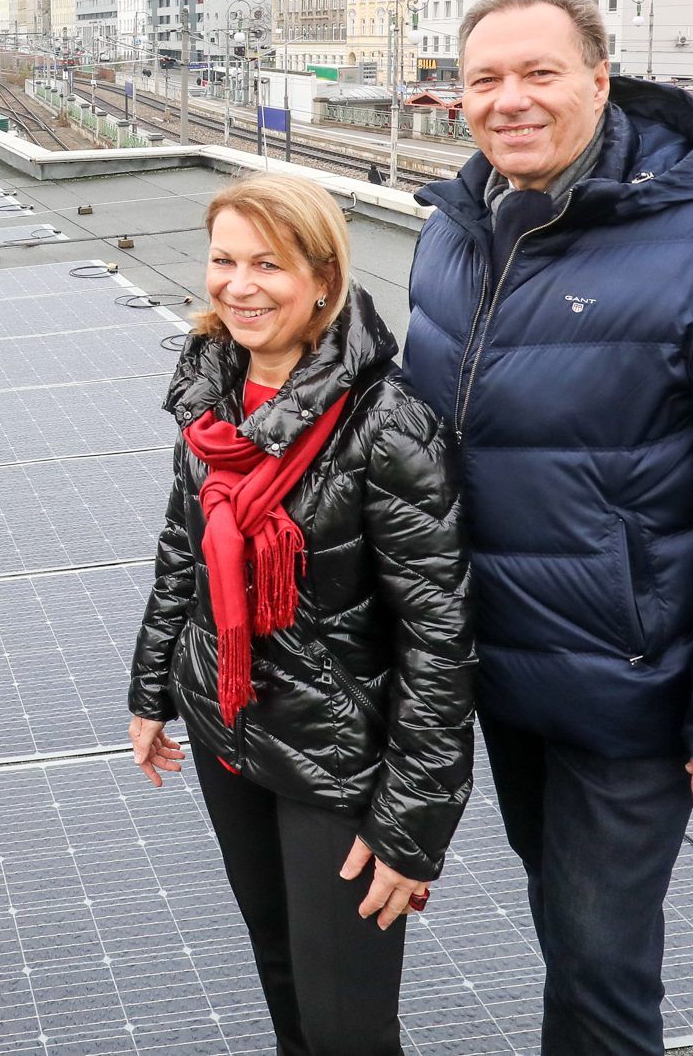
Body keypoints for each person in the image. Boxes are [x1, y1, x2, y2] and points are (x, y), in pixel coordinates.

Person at [405, 0, 693, 1055]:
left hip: (628, 689)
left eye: (537, 73)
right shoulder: (458, 231)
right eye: (483, 79)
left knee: (603, 971)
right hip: (499, 671)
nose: (507, 100)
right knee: (563, 939)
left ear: (601, 81)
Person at [127, 174, 474, 1056]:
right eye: (224, 260)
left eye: (268, 265)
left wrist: (410, 830)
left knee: (347, 1024)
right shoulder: (210, 397)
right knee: (280, 973)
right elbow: (182, 552)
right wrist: (152, 691)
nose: (239, 285)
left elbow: (439, 641)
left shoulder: (387, 426)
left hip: (340, 759)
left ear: (323, 278)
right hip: (229, 722)